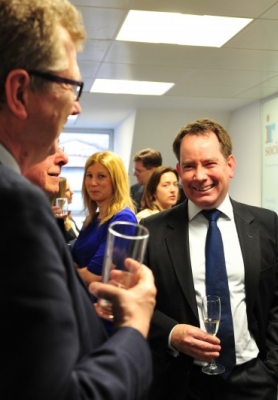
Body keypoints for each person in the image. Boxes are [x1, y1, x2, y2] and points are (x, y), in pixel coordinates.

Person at [0, 1, 155, 399]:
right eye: (69, 85)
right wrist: (135, 326)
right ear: (19, 92)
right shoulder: (15, 205)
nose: (76, 104)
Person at [140, 118, 278, 400]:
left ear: (230, 165)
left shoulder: (265, 225)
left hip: (252, 380)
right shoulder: (153, 231)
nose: (200, 176)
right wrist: (172, 333)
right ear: (179, 171)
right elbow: (135, 304)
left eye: (210, 163)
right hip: (179, 384)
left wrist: (271, 370)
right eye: (189, 166)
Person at [72, 150, 137, 285]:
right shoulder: (92, 219)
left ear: (116, 181)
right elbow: (74, 261)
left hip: (103, 297)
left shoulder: (124, 219)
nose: (92, 183)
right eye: (89, 176)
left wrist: (64, 272)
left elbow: (94, 275)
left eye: (101, 176)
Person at [48, 176, 80, 244]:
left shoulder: (68, 218)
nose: (72, 192)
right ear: (58, 194)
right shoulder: (52, 220)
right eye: (67, 190)